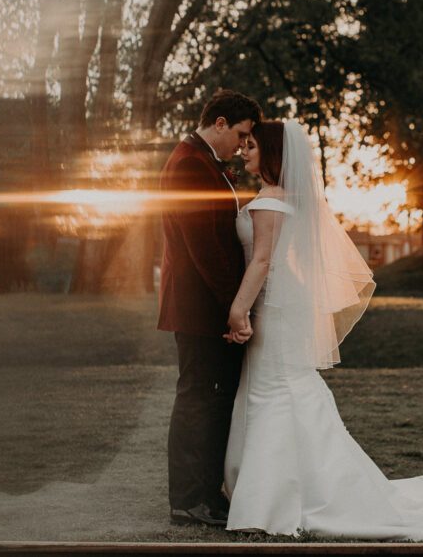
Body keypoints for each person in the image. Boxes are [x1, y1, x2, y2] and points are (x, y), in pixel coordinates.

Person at [222, 119, 423, 540]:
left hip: (273, 313)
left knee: (275, 392)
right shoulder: (287, 201)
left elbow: (263, 262)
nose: (244, 151)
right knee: (285, 390)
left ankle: (270, 503)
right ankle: (281, 493)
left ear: (272, 154)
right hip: (283, 312)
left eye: (252, 146)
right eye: (243, 145)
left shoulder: (270, 204)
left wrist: (238, 311)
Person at [157, 89, 263, 527]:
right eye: (240, 135)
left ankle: (204, 494)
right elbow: (206, 249)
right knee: (198, 400)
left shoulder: (202, 163)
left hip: (205, 305)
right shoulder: (189, 165)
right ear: (219, 123)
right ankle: (189, 501)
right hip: (200, 307)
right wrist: (234, 307)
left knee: (209, 400)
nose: (241, 145)